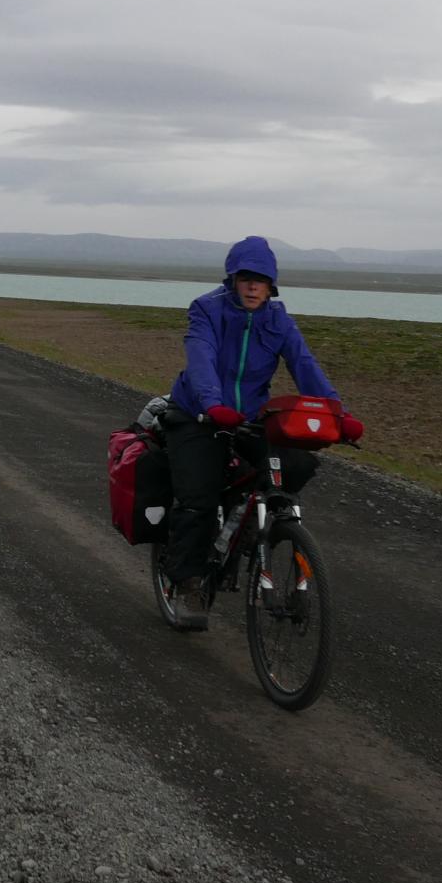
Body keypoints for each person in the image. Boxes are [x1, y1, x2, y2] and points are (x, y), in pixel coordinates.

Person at [157, 236, 364, 630]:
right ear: (232, 279)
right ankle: (189, 583)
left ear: (272, 286)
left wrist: (340, 414)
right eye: (246, 278)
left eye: (261, 280)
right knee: (198, 497)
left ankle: (255, 523)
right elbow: (200, 357)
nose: (253, 286)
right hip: (198, 413)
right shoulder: (207, 309)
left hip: (250, 417)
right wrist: (212, 404)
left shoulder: (278, 319)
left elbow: (305, 365)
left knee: (297, 464)